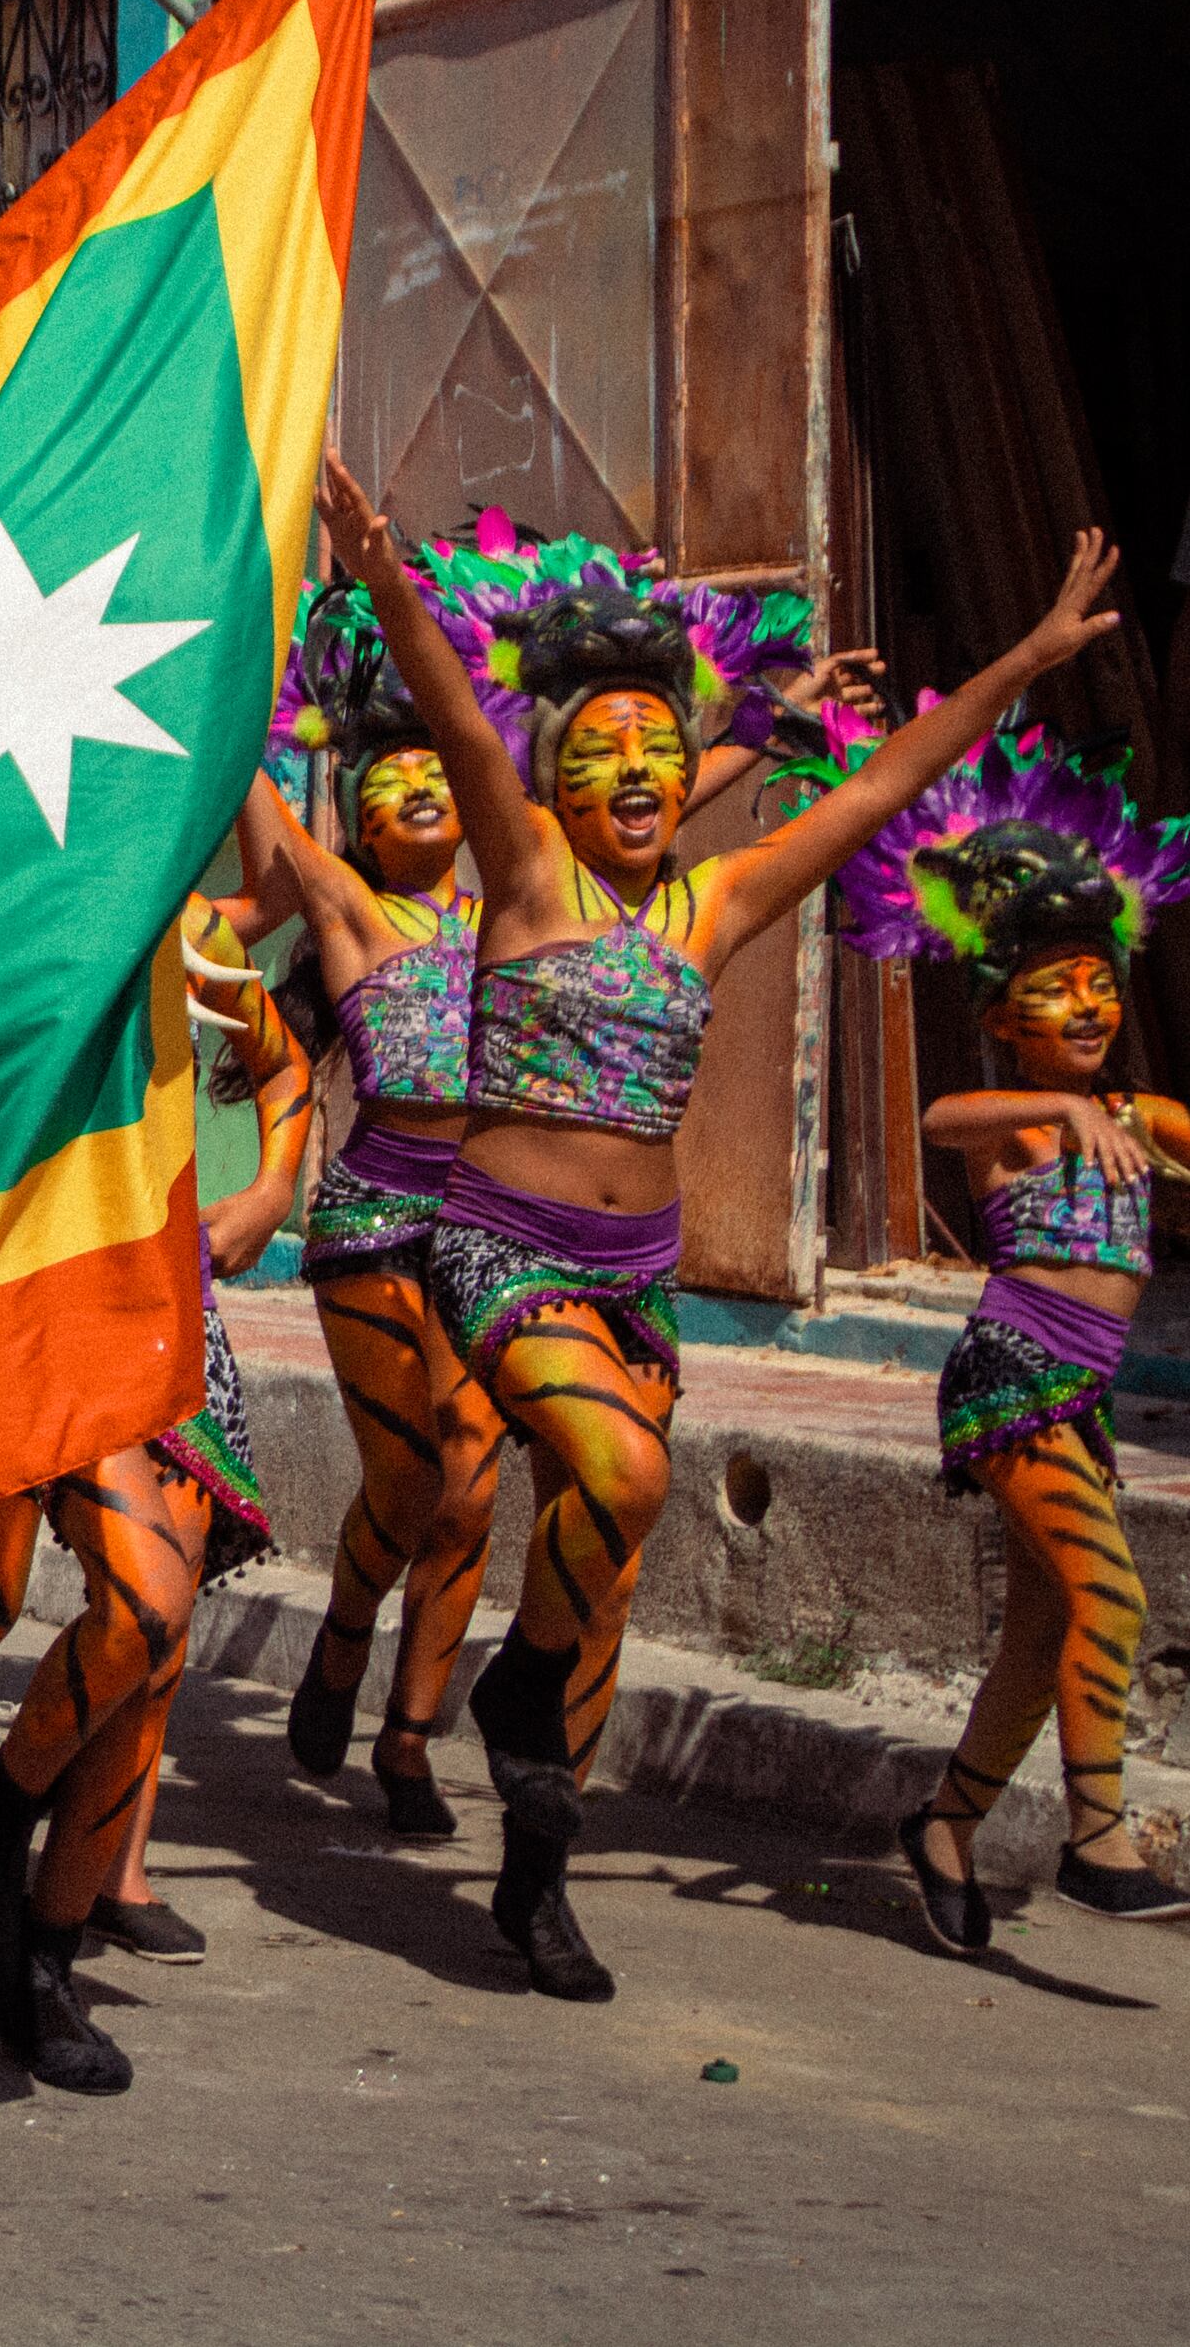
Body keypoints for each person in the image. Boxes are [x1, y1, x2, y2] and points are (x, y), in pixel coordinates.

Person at [332, 464, 1119, 1999]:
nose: (633, 765)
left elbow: (879, 787)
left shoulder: (713, 908)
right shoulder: (528, 873)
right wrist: (388, 586)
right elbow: (446, 694)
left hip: (640, 1282)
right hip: (499, 1247)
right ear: (556, 785)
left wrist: (1024, 661)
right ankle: (508, 1694)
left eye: (657, 745)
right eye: (600, 748)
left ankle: (537, 1872)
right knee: (621, 1474)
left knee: (608, 1561)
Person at [0, 890, 301, 2091]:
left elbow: (282, 1070)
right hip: (17, 1302)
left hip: (160, 1306)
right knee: (71, 1595)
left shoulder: (184, 931)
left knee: (152, 1636)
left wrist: (270, 1190)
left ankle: (44, 1952)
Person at [837, 725, 1189, 1945]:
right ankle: (1096, 1837)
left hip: (1077, 1403)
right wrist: (1055, 1103)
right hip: (1011, 1377)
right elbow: (937, 1116)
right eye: (1054, 992)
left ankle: (943, 1826)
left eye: (1099, 986)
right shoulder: (1013, 1124)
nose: (1085, 1007)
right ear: (1003, 1018)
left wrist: (1122, 1113)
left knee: (1043, 1637)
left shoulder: (1135, 1118)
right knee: (1110, 1593)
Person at [242, 592, 494, 1838]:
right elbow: (267, 813)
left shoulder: (524, 910)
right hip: (372, 1225)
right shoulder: (345, 910)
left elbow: (655, 829)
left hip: (492, 1233)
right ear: (358, 810)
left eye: (434, 767)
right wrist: (226, 694)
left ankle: (407, 1740)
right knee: (405, 1480)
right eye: (387, 775)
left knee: (475, 1495)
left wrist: (762, 728)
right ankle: (340, 1639)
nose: (417, 786)